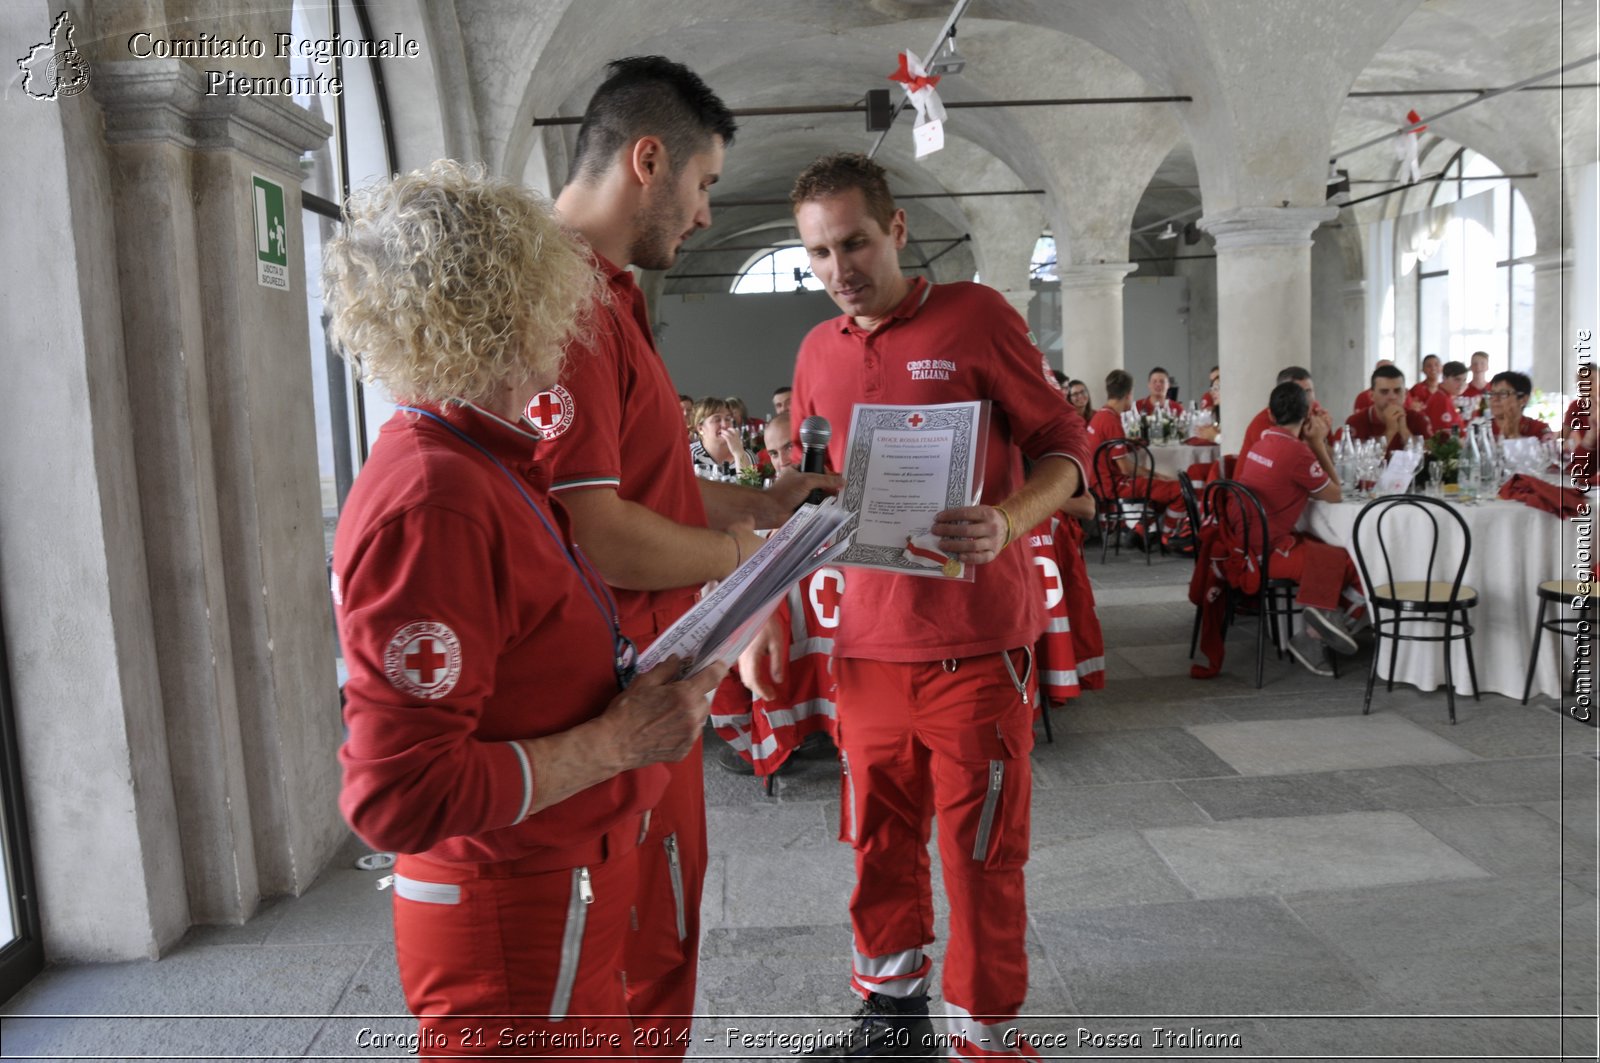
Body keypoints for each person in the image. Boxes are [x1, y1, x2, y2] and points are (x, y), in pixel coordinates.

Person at [327, 162, 727, 1057]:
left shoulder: (485, 463)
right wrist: (619, 741)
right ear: (516, 307)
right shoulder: (438, 498)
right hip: (513, 911)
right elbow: (399, 794)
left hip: (551, 890)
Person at [743, 151, 1089, 1060]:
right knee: (876, 839)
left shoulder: (977, 317)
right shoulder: (819, 349)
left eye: (853, 242)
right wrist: (769, 599)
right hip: (865, 645)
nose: (838, 269)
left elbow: (1066, 443)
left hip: (974, 645)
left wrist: (1010, 519)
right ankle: (893, 1018)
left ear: (896, 230)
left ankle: (984, 1034)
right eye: (817, 253)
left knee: (980, 849)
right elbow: (814, 487)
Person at [535, 55, 837, 1057]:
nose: (706, 214)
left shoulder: (608, 295)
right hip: (605, 684)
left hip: (653, 677)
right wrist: (739, 551)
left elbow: (634, 486)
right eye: (705, 185)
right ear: (648, 159)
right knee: (628, 960)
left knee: (662, 938)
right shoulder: (567, 301)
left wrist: (763, 497)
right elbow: (594, 528)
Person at [1234, 381, 1365, 676]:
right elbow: (1335, 494)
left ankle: (1322, 619)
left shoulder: (1261, 443)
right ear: (1307, 416)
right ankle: (1318, 630)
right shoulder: (1295, 453)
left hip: (1248, 541)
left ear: (1270, 413)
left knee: (1327, 550)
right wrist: (1317, 442)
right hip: (1265, 552)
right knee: (1348, 560)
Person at [1088, 369, 1187, 544]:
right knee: (1180, 490)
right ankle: (1167, 537)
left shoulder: (1099, 417)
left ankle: (1142, 528)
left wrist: (1127, 441)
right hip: (1113, 485)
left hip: (1098, 483)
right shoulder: (1112, 421)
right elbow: (1125, 468)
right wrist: (1154, 474)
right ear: (1128, 394)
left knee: (1159, 489)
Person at [1237, 366, 1329, 467]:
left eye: (1308, 391)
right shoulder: (1264, 421)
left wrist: (1323, 439)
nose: (1304, 399)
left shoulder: (1316, 412)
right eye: (1297, 393)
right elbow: (1289, 462)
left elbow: (1335, 457)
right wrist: (1316, 443)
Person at [1339, 364, 1430, 454]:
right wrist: (1390, 431)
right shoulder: (1356, 421)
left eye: (1397, 391)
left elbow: (1429, 457)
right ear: (1371, 396)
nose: (1392, 397)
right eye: (1384, 392)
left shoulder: (1418, 419)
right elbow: (1356, 462)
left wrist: (1404, 431)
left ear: (1405, 394)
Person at [689, 396, 757, 477]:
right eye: (717, 420)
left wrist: (738, 453)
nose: (725, 425)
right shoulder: (689, 454)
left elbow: (750, 487)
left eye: (728, 419)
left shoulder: (747, 455)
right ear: (700, 428)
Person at [1486, 370, 1551, 439]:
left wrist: (1514, 436)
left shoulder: (1539, 429)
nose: (1495, 399)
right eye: (1492, 394)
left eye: (1503, 394)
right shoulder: (1480, 430)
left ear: (1523, 399)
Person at [1428, 360, 1470, 435]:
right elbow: (1445, 438)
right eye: (1457, 379)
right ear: (1444, 378)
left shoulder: (1446, 397)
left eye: (1464, 380)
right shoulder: (1441, 401)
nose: (1461, 384)